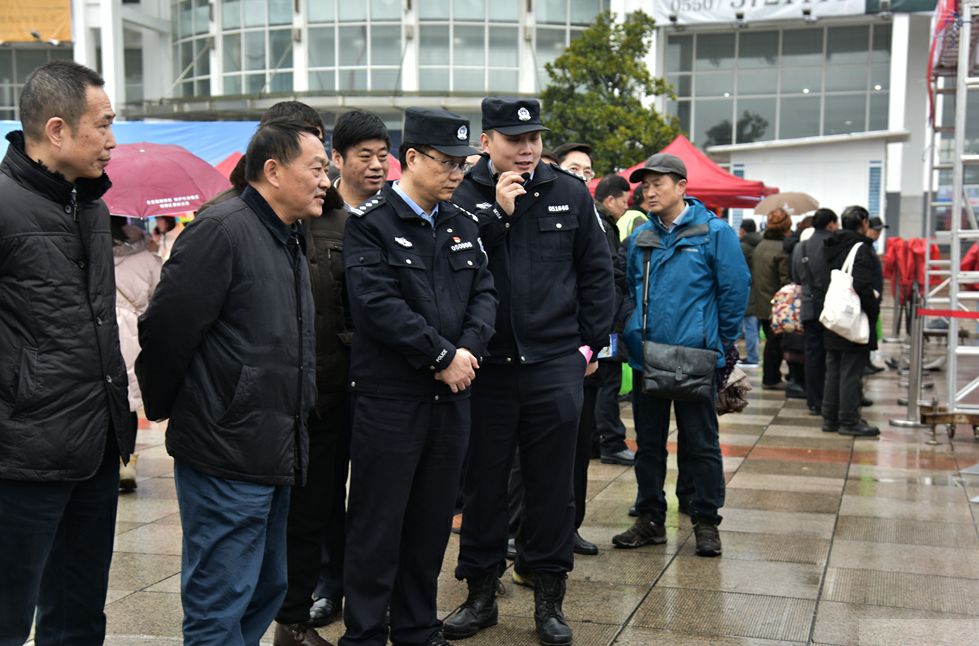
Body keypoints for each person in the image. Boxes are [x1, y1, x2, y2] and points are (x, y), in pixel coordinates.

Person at [137, 118, 321, 644]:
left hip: (275, 445)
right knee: (221, 596)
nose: (326, 178)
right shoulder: (222, 229)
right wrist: (198, 408)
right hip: (227, 451)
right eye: (316, 167)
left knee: (266, 586)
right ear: (272, 170)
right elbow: (166, 330)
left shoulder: (285, 234)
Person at [445, 97, 613, 646]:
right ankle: (480, 595)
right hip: (487, 368)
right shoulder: (463, 195)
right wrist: (497, 215)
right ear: (486, 142)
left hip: (553, 364)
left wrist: (587, 349)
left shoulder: (569, 191)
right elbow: (453, 272)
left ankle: (549, 597)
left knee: (551, 487)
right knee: (483, 486)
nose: (527, 149)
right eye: (514, 140)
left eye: (534, 138)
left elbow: (596, 271)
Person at [339, 107, 497, 646]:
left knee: (431, 524)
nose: (457, 174)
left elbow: (485, 294)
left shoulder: (461, 222)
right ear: (410, 158)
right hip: (391, 399)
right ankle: (362, 632)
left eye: (463, 163)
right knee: (377, 524)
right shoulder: (370, 222)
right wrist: (440, 357)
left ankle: (415, 626)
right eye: (447, 163)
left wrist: (469, 351)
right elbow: (376, 306)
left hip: (452, 398)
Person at [0, 60, 134, 645]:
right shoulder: (4, 207)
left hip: (95, 444)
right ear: (57, 130)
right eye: (102, 125)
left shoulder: (93, 208)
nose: (112, 141)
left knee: (79, 614)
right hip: (21, 454)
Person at [615, 153, 749, 558]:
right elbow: (629, 290)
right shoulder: (641, 238)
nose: (649, 191)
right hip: (648, 356)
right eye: (645, 185)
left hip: (696, 356)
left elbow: (734, 290)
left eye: (659, 183)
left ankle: (706, 521)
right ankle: (650, 517)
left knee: (701, 443)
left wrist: (719, 342)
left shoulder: (713, 232)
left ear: (682, 187)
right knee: (649, 445)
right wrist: (632, 334)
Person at [820, 206, 883, 437]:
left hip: (833, 316)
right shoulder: (861, 249)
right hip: (852, 317)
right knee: (851, 371)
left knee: (834, 369)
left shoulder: (831, 245)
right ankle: (848, 420)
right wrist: (873, 308)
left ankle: (830, 418)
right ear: (863, 222)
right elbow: (862, 285)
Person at [112, 218, 162, 491]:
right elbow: (161, 298)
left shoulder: (89, 247)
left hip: (99, 330)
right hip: (135, 332)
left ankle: (105, 459)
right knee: (128, 400)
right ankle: (125, 461)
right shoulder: (147, 257)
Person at [592, 173, 635, 466]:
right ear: (610, 200)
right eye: (624, 202)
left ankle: (598, 440)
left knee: (600, 381)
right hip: (606, 321)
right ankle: (611, 441)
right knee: (608, 381)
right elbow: (608, 276)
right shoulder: (603, 225)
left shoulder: (597, 220)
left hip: (600, 318)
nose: (625, 208)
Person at [793, 208, 837, 415]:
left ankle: (814, 400)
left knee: (812, 355)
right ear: (830, 224)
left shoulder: (800, 248)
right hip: (832, 307)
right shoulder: (836, 244)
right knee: (832, 355)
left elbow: (795, 277)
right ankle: (830, 399)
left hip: (808, 306)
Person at [747, 208, 791, 389]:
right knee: (775, 343)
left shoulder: (760, 246)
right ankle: (771, 378)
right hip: (777, 304)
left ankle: (771, 377)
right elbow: (785, 280)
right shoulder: (782, 249)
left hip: (760, 301)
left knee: (772, 342)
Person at [738, 219, 762, 367]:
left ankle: (752, 357)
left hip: (748, 290)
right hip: (761, 290)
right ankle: (754, 356)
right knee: (754, 326)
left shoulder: (743, 247)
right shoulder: (761, 243)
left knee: (749, 326)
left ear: (743, 231)